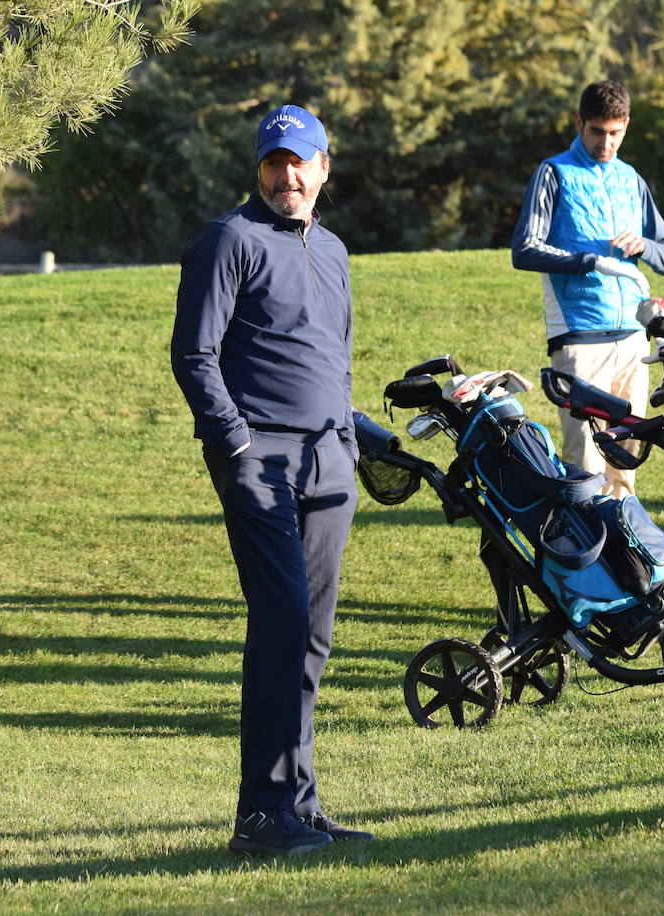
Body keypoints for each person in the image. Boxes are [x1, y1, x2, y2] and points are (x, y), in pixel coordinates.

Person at [170, 104, 374, 857]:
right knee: (283, 620)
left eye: (300, 162)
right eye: (274, 163)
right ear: (258, 169)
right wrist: (235, 441)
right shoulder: (230, 239)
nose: (288, 176)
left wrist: (352, 442)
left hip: (328, 462)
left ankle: (300, 804)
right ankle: (260, 813)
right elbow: (193, 354)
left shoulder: (336, 250)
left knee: (312, 637)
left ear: (324, 166)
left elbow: (336, 355)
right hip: (260, 460)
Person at [510, 79, 664, 498]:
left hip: (633, 343)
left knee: (626, 463)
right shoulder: (553, 173)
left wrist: (644, 246)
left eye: (616, 133)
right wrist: (587, 261)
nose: (606, 142)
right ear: (578, 123)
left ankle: (623, 559)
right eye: (597, 132)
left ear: (626, 127)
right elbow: (524, 250)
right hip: (580, 340)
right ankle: (579, 557)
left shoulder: (631, 179)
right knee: (584, 466)